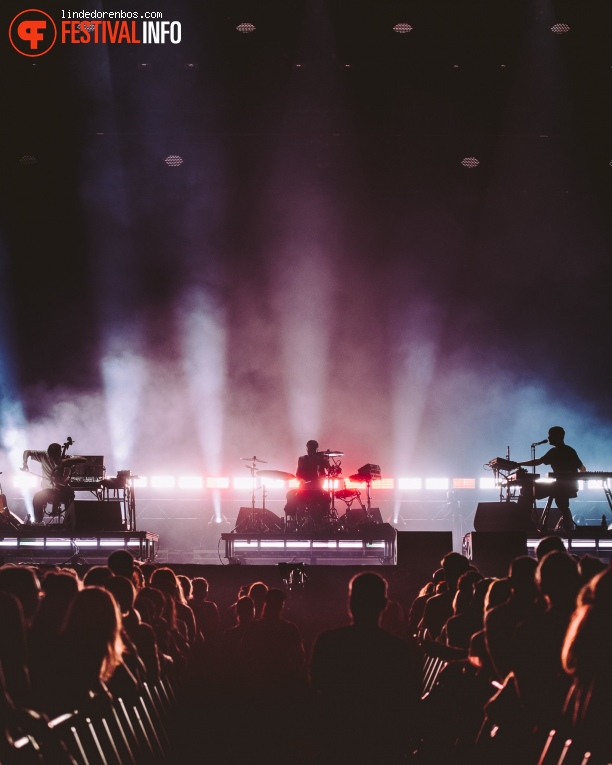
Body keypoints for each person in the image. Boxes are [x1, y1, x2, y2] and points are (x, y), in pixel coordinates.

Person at [514, 426, 586, 531]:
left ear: (557, 437)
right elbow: (582, 467)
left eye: (550, 435)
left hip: (560, 487)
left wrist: (517, 464)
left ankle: (526, 523)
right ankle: (531, 523)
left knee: (527, 490)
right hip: (567, 486)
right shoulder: (569, 450)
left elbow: (538, 462)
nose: (548, 438)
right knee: (558, 499)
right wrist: (578, 476)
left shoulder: (556, 451)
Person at [22, 443, 75, 524]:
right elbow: (27, 452)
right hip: (48, 490)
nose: (53, 459)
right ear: (49, 453)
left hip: (62, 490)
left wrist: (68, 461)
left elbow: (83, 459)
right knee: (37, 497)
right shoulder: (44, 455)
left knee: (70, 494)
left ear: (60, 453)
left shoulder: (66, 458)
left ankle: (69, 521)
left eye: (56, 456)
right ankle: (38, 521)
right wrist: (25, 463)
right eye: (51, 456)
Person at [284, 440, 330, 529]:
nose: (311, 451)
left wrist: (326, 460)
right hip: (303, 489)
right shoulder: (301, 459)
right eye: (309, 448)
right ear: (306, 448)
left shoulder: (321, 459)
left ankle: (324, 520)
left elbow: (328, 471)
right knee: (290, 495)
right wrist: (301, 480)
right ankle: (295, 521)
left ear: (317, 449)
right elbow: (297, 475)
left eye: (313, 449)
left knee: (327, 496)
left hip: (317, 489)